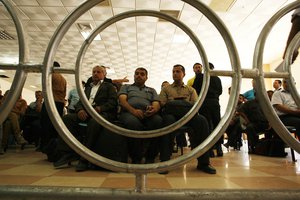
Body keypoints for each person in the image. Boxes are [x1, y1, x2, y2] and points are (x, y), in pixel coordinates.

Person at [53, 65, 118, 171]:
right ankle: (67, 153)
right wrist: (80, 110)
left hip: (101, 114)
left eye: (98, 72)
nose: (95, 74)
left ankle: (84, 158)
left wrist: (100, 109)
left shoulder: (109, 86)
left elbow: (113, 102)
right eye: (94, 72)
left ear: (104, 74)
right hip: (86, 112)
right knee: (67, 119)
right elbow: (80, 102)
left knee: (93, 123)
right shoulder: (88, 88)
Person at [159, 64, 216, 174]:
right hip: (172, 116)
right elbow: (162, 104)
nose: (175, 73)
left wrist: (175, 102)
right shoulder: (166, 89)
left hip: (188, 116)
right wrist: (183, 103)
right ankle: (164, 161)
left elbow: (195, 106)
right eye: (173, 71)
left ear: (183, 74)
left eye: (178, 71)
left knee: (202, 121)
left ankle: (204, 162)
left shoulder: (191, 90)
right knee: (166, 121)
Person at [118, 67, 162, 164]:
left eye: (142, 74)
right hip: (129, 113)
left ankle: (150, 157)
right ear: (134, 76)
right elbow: (122, 101)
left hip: (147, 114)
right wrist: (133, 111)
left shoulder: (152, 90)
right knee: (133, 124)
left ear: (146, 78)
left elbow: (156, 103)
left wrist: (152, 110)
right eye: (137, 73)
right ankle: (136, 157)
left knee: (158, 121)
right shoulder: (126, 87)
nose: (139, 75)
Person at [192, 62, 223, 157]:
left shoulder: (200, 77)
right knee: (217, 124)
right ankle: (219, 147)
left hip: (204, 103)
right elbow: (220, 91)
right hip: (215, 102)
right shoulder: (217, 78)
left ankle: (209, 149)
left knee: (207, 125)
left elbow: (195, 90)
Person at [40, 61, 67, 161]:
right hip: (59, 103)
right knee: (55, 127)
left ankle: (47, 148)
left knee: (46, 126)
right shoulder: (63, 79)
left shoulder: (51, 76)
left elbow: (45, 89)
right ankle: (54, 149)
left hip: (50, 102)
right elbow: (64, 94)